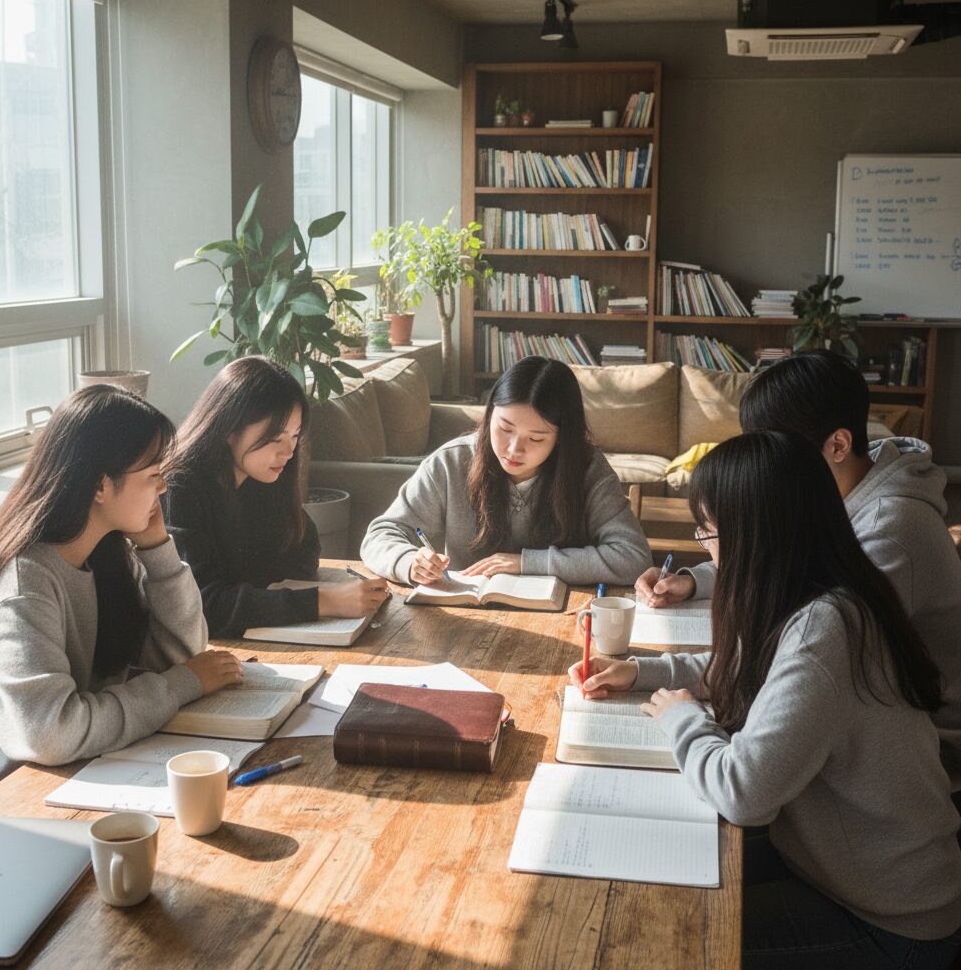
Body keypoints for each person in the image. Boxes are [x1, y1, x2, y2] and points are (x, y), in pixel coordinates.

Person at [572, 431, 961, 969]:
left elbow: (743, 792)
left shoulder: (826, 630)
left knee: (661, 938)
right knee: (652, 870)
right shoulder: (823, 590)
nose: (706, 549)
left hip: (891, 923)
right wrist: (643, 670)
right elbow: (754, 674)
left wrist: (683, 719)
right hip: (830, 866)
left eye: (708, 533)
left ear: (756, 534)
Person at [635, 350, 961, 787]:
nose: (765, 463)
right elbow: (786, 557)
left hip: (927, 743)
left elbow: (789, 654)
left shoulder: (888, 533)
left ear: (838, 445)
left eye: (779, 446)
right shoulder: (842, 490)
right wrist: (694, 581)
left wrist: (679, 707)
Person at [0, 385, 242, 819]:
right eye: (153, 474)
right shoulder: (24, 583)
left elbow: (181, 655)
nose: (162, 488)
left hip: (60, 778)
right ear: (101, 485)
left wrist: (157, 548)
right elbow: (52, 733)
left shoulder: (107, 551)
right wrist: (181, 685)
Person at [360, 356, 651, 585]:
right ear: (489, 416)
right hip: (468, 615)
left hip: (563, 613)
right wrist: (408, 561)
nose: (513, 450)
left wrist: (526, 563)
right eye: (504, 428)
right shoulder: (451, 462)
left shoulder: (587, 469)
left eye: (535, 439)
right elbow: (380, 535)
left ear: (562, 438)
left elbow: (634, 558)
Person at [164, 356, 386, 637]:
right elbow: (203, 606)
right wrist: (323, 602)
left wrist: (247, 594)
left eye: (295, 436)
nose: (289, 452)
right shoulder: (179, 487)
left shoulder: (260, 474)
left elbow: (304, 552)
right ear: (229, 428)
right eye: (275, 438)